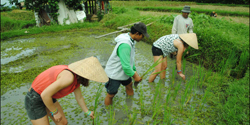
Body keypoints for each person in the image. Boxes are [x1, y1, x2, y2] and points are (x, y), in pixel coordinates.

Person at [24, 56, 108, 125]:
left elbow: (79, 97)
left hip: (48, 96)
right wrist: (55, 112)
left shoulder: (76, 78)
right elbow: (44, 95)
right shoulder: (68, 77)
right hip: (35, 98)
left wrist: (87, 111)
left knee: (63, 123)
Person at [104, 22, 149, 106]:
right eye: (142, 35)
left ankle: (130, 104)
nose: (143, 38)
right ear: (137, 33)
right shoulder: (125, 44)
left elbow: (130, 59)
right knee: (111, 94)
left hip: (124, 72)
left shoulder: (131, 40)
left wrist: (134, 71)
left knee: (129, 85)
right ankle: (108, 112)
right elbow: (126, 66)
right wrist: (135, 76)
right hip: (115, 73)